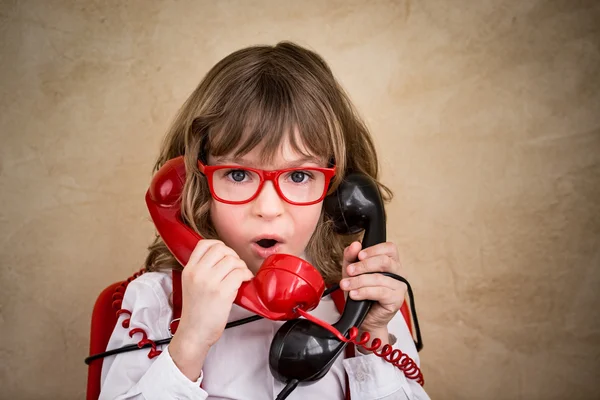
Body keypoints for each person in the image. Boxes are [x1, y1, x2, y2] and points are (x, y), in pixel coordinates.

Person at [99, 41, 429, 400]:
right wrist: (189, 342)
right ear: (194, 182)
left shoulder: (361, 303)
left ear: (336, 191)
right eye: (239, 175)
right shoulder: (155, 303)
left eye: (299, 176)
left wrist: (373, 339)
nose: (268, 208)